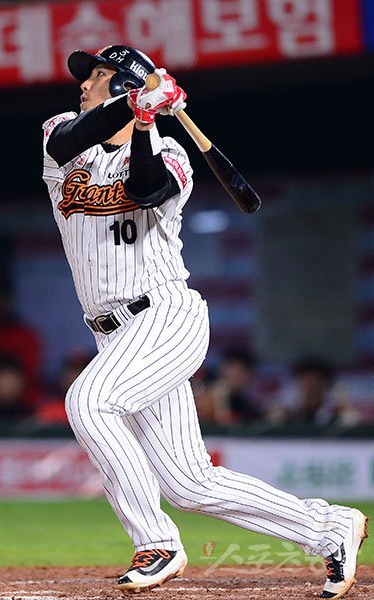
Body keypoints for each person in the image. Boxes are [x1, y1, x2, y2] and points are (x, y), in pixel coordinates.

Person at [42, 45, 367, 598]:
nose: (84, 85)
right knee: (189, 483)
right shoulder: (62, 137)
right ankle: (330, 527)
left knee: (90, 403)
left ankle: (157, 543)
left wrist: (146, 119)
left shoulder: (171, 153)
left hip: (165, 316)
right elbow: (65, 140)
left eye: (97, 76)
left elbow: (145, 188)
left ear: (125, 86)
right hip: (112, 334)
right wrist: (135, 105)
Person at [196, 348, 263, 425]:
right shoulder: (204, 394)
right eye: (227, 371)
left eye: (237, 374)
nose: (228, 376)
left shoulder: (243, 405)